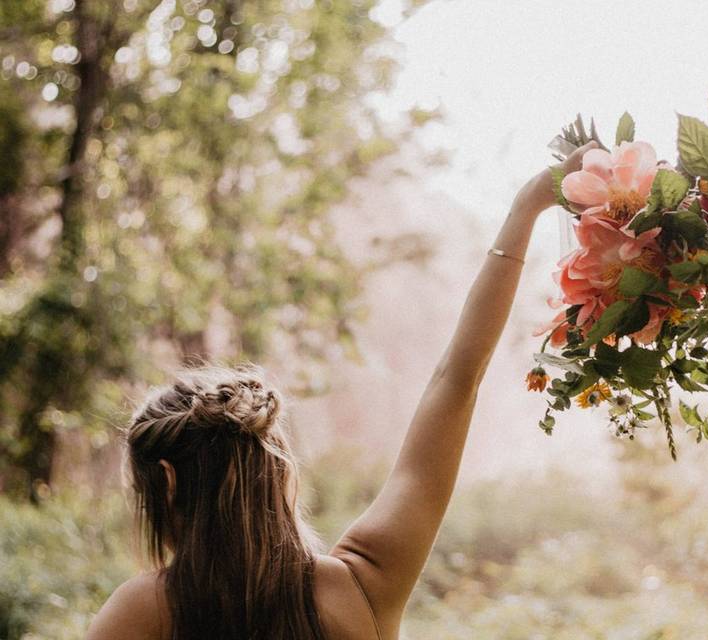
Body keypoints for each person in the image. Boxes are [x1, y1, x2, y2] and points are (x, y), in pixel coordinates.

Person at [85, 140, 600, 640]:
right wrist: (532, 200)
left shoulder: (145, 611)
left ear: (168, 483)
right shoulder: (364, 585)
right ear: (275, 468)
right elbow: (457, 379)